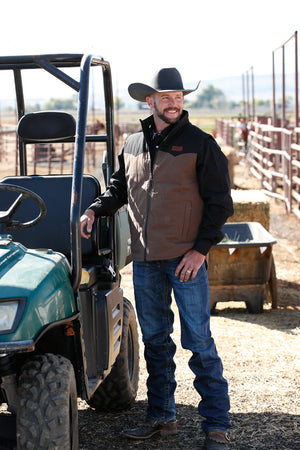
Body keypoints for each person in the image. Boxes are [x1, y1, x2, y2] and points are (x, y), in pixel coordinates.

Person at [80, 67, 234, 450]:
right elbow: (119, 188)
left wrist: (200, 251)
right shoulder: (132, 144)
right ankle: (162, 418)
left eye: (179, 97)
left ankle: (217, 425)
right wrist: (95, 210)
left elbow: (221, 204)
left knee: (198, 341)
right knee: (155, 342)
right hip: (146, 260)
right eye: (166, 97)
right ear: (150, 101)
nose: (174, 103)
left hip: (186, 260)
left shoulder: (202, 144)